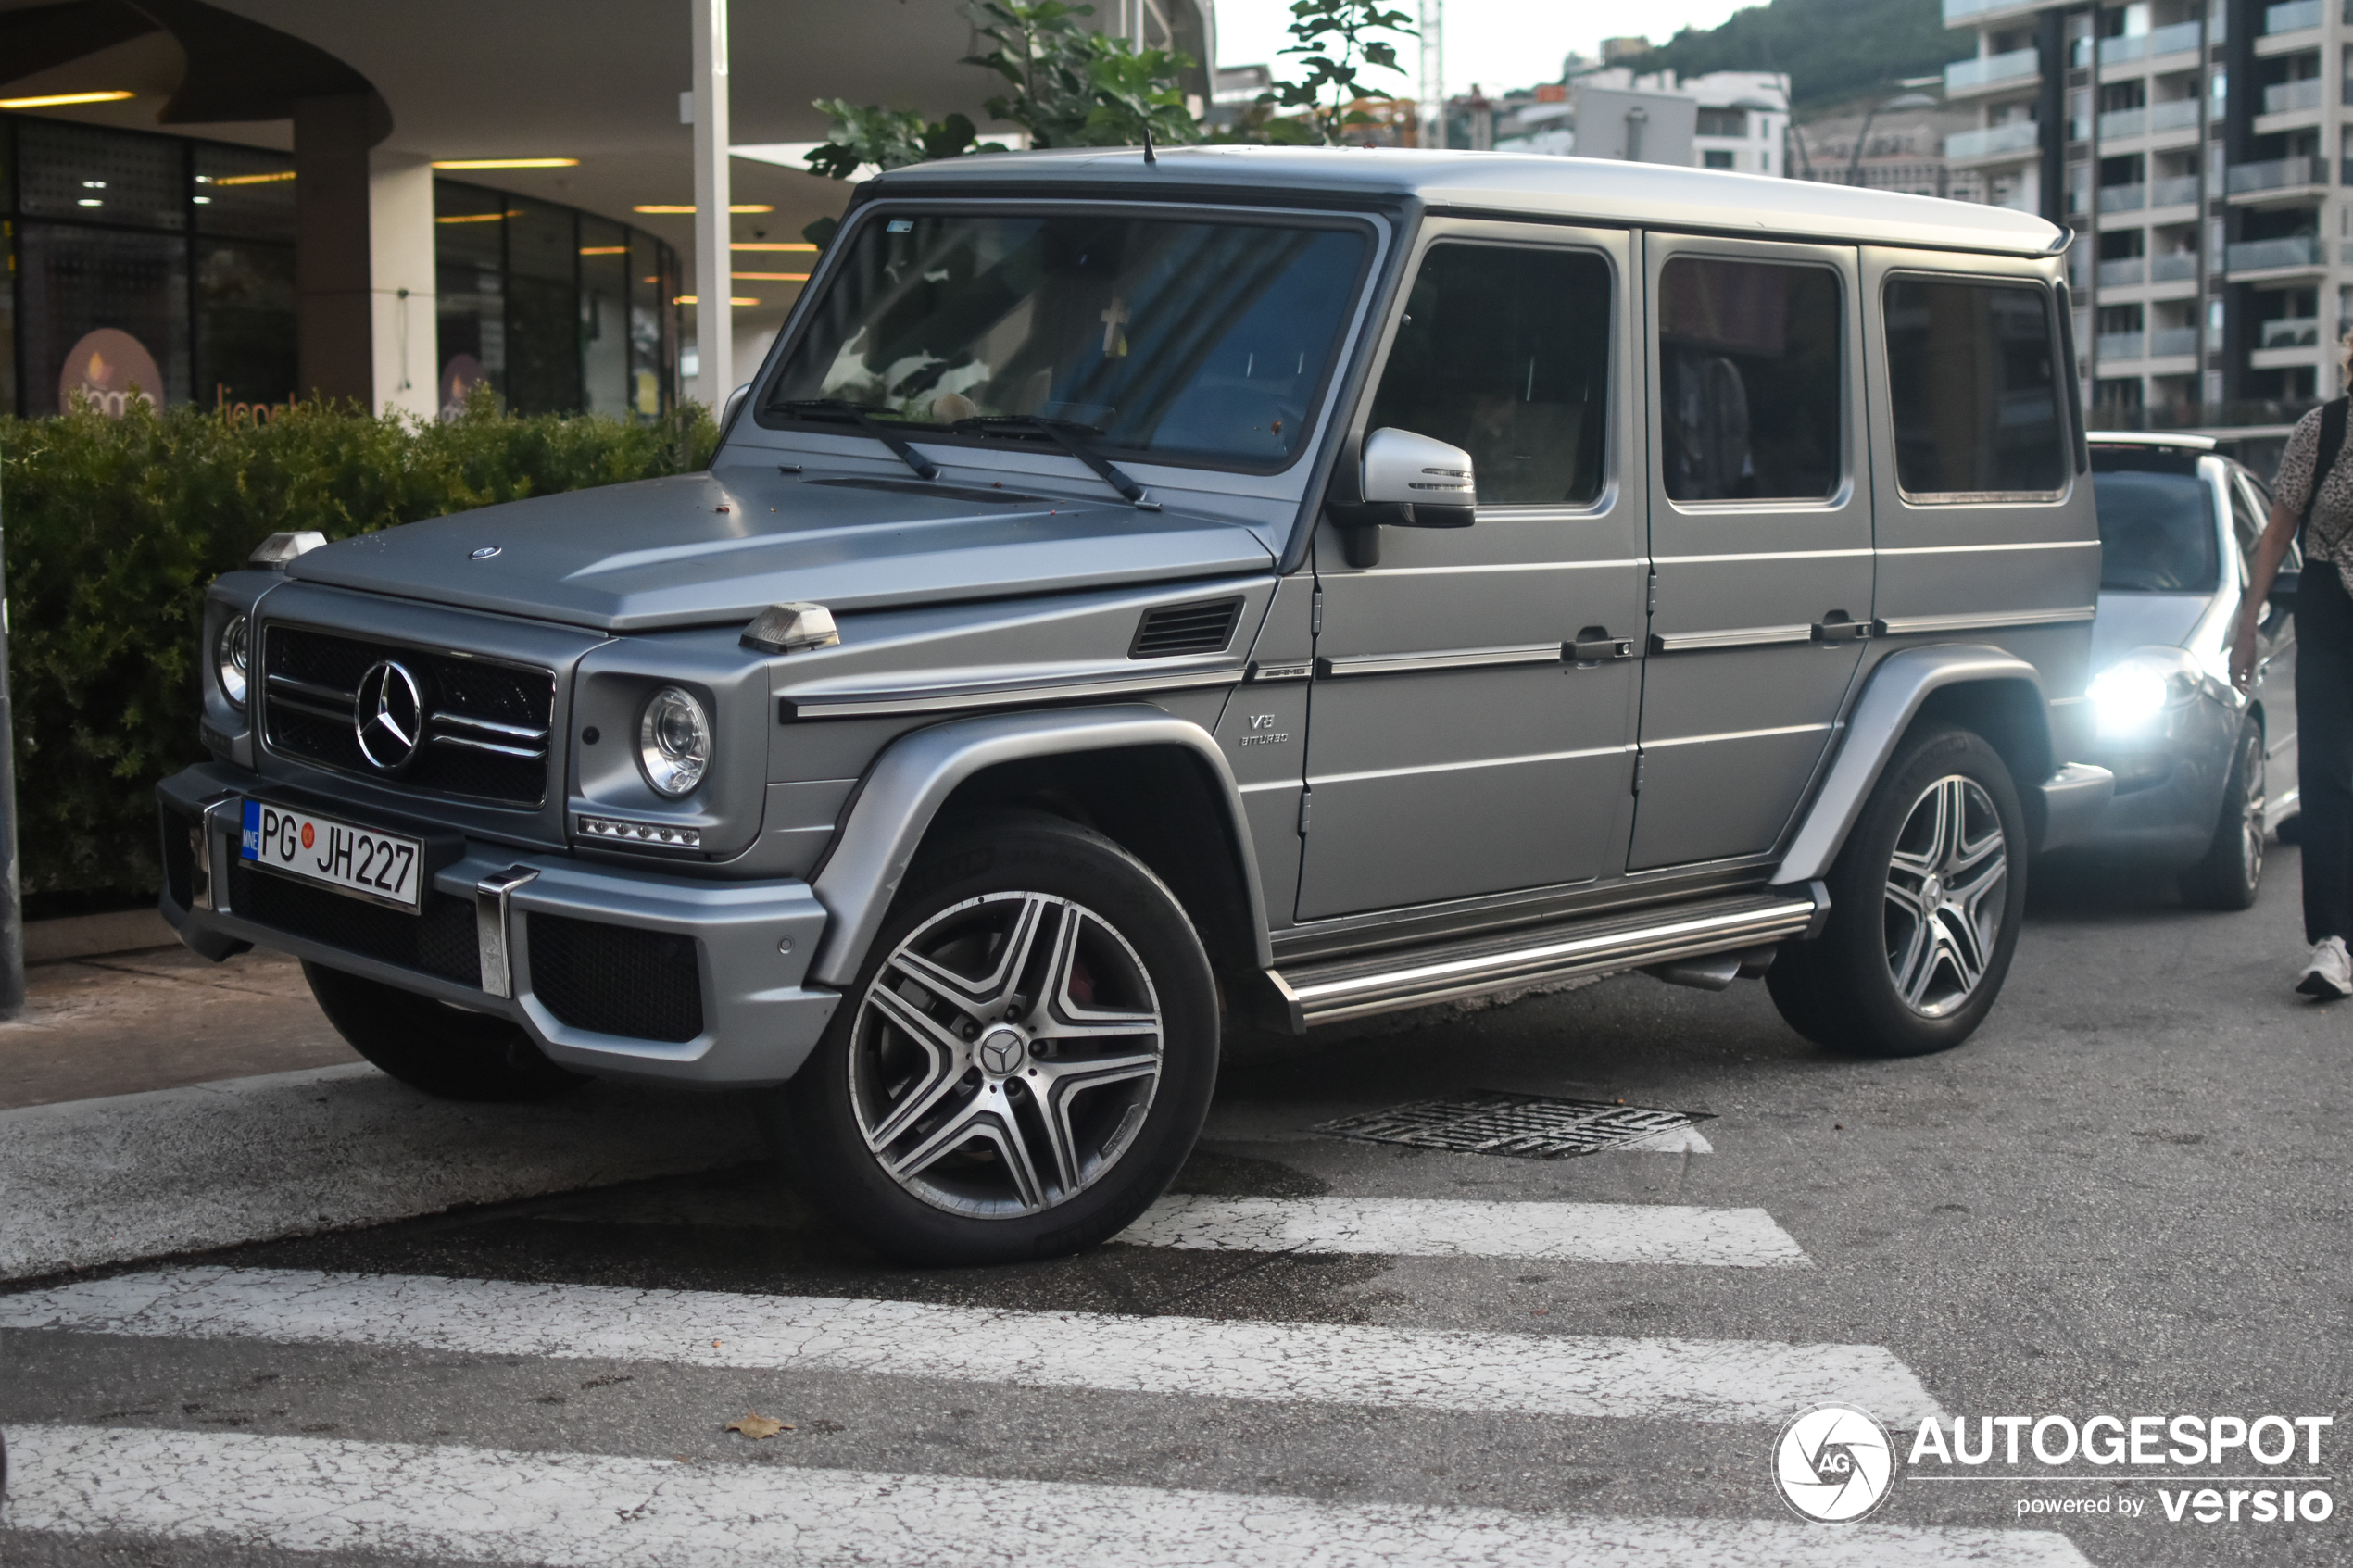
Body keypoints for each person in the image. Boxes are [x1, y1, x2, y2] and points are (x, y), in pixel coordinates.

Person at [2234, 367, 2353, 997]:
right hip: (2330, 608)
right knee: (2329, 775)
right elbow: (2277, 534)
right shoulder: (2322, 429)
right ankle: (2332, 942)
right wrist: (2249, 622)